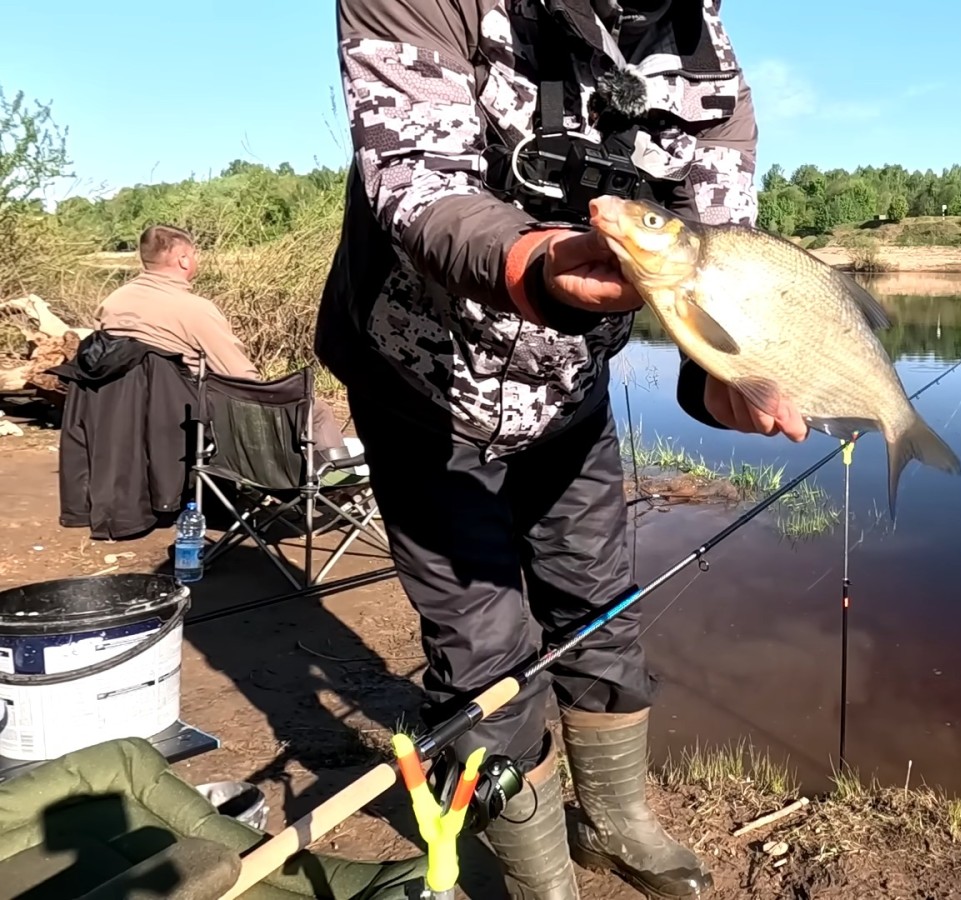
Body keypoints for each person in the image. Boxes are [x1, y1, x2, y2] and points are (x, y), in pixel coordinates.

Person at [315, 2, 802, 898]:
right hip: (422, 386)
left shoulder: (709, 58)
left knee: (601, 610)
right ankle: (545, 884)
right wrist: (534, 264)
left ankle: (616, 824)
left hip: (569, 394)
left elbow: (717, 258)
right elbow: (416, 190)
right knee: (483, 653)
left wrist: (725, 384)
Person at [96, 224, 346, 452]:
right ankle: (336, 491)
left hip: (123, 414)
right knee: (317, 410)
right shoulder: (194, 309)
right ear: (183, 260)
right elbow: (240, 377)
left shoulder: (111, 304)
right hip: (190, 416)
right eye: (194, 255)